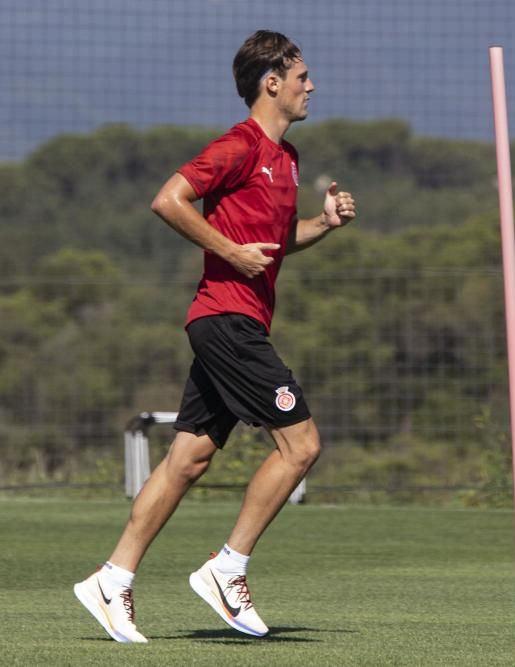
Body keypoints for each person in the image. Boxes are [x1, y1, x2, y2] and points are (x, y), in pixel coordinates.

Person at [73, 30, 356, 643]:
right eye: (302, 76)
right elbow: (168, 200)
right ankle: (228, 567)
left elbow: (277, 246)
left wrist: (324, 225)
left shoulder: (290, 159)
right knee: (301, 445)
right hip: (226, 321)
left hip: (233, 322)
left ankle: (112, 579)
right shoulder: (238, 145)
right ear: (271, 83)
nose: (313, 85)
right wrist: (228, 250)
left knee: (189, 457)